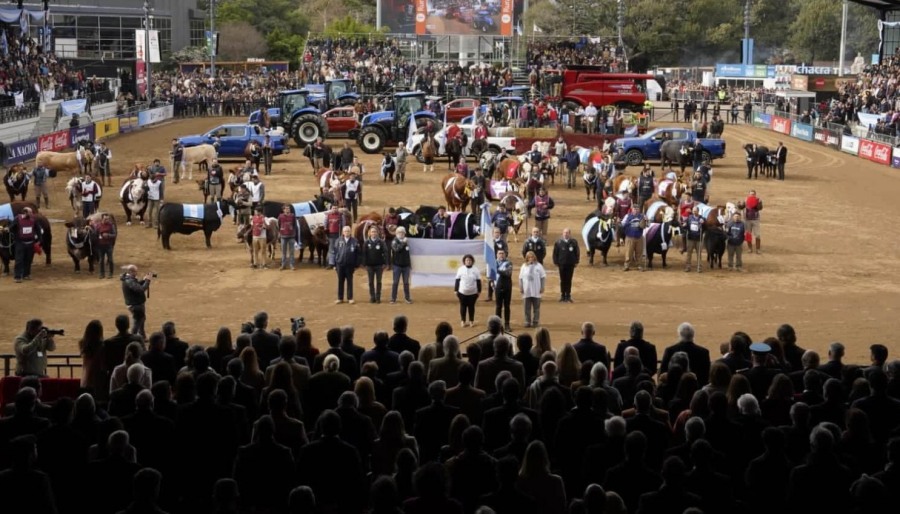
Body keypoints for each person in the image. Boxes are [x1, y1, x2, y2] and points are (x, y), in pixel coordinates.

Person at [7, 207, 42, 283]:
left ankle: (26, 275)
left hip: (31, 243)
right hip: (20, 243)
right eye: (30, 212)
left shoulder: (33, 219)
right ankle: (18, 276)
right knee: (19, 260)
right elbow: (11, 228)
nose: (31, 214)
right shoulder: (17, 219)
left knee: (28, 260)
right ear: (25, 213)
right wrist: (15, 235)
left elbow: (38, 229)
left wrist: (39, 240)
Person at [121, 264, 152, 340]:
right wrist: (147, 281)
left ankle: (142, 336)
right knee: (138, 322)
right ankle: (131, 338)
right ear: (131, 272)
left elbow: (137, 286)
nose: (137, 273)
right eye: (135, 271)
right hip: (135, 305)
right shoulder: (129, 280)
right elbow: (140, 290)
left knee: (141, 319)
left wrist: (144, 280)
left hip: (136, 303)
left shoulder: (129, 279)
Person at [362, 226, 389, 303]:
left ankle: (378, 297)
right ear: (369, 233)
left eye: (375, 232)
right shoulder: (366, 243)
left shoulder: (381, 242)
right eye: (372, 232)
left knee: (379, 282)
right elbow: (364, 254)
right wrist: (364, 264)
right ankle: (372, 297)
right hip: (370, 266)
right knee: (370, 282)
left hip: (379, 266)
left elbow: (386, 253)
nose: (373, 233)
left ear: (377, 233)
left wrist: (386, 263)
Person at [520, 251, 546, 328]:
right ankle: (527, 321)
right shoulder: (524, 266)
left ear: (534, 257)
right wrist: (521, 287)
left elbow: (543, 277)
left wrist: (542, 287)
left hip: (536, 289)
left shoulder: (539, 266)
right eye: (529, 257)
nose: (531, 258)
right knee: (526, 307)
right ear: (527, 258)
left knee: (536, 307)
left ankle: (535, 321)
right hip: (527, 289)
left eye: (532, 257)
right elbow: (520, 278)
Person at [334, 226, 360, 304]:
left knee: (349, 281)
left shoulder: (355, 241)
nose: (346, 232)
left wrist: (356, 265)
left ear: (350, 232)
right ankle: (340, 298)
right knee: (340, 281)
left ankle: (350, 298)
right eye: (345, 231)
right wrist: (334, 264)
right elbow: (334, 252)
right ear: (343, 232)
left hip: (350, 265)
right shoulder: (338, 240)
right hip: (340, 264)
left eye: (348, 231)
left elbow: (358, 254)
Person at [552, 228, 579, 302]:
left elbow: (577, 252)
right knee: (562, 280)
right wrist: (555, 262)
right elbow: (555, 253)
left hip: (570, 264)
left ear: (570, 234)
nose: (565, 234)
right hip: (562, 264)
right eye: (564, 233)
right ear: (562, 233)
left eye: (567, 233)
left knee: (569, 280)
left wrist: (576, 261)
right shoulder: (558, 242)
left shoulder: (573, 242)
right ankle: (562, 295)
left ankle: (568, 295)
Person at [455, 254, 481, 327]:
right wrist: (456, 290)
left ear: (472, 261)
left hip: (473, 292)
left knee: (471, 307)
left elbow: (478, 281)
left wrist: (479, 291)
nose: (468, 261)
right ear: (464, 261)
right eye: (467, 260)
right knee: (463, 306)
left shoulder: (476, 270)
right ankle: (463, 321)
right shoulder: (460, 269)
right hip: (462, 292)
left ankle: (471, 321)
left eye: (470, 260)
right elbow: (457, 280)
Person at [486, 227, 509, 302]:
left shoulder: (503, 242)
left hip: (501, 262)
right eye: (495, 232)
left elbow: (506, 251)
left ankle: (500, 295)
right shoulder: (490, 242)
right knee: (491, 278)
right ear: (493, 234)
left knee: (500, 278)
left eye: (498, 232)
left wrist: (501, 258)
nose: (497, 234)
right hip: (492, 263)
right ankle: (490, 295)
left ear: (500, 233)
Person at [391, 227, 413, 304]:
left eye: (403, 232)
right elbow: (397, 249)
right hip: (397, 265)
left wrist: (410, 264)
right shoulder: (394, 241)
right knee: (395, 282)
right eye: (400, 232)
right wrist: (403, 243)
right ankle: (393, 298)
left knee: (406, 282)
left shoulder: (407, 241)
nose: (401, 234)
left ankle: (407, 298)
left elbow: (409, 254)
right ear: (396, 233)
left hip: (406, 266)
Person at [621, 206, 647, 272]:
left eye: (637, 209)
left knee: (639, 252)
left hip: (639, 237)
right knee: (629, 252)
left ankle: (639, 265)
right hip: (630, 237)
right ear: (632, 210)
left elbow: (647, 225)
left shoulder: (642, 216)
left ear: (639, 210)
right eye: (634, 209)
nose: (636, 210)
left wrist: (646, 220)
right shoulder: (627, 216)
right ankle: (627, 265)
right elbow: (622, 224)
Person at [494, 249, 513, 331]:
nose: (501, 255)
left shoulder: (508, 263)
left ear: (505, 255)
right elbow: (490, 275)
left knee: (507, 306)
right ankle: (497, 325)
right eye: (499, 253)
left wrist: (496, 269)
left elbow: (508, 273)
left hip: (507, 287)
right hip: (497, 286)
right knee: (498, 306)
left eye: (502, 253)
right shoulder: (493, 263)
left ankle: (507, 324)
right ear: (497, 255)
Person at [94, 212, 117, 279]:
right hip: (100, 245)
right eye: (105, 219)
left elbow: (114, 234)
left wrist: (108, 235)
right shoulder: (98, 226)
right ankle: (102, 273)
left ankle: (110, 273)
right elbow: (95, 234)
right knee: (101, 260)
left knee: (110, 260)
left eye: (108, 219)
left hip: (108, 245)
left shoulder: (111, 225)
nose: (107, 220)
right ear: (102, 219)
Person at [325, 205, 347, 269]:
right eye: (333, 208)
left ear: (338, 209)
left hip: (338, 235)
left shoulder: (341, 215)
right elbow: (325, 224)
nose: (334, 209)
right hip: (331, 235)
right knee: (331, 249)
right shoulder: (328, 216)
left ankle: (338, 263)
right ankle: (331, 263)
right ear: (331, 209)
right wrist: (326, 231)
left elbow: (344, 225)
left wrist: (343, 234)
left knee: (339, 249)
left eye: (336, 208)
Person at [683, 206, 703, 273]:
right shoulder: (689, 218)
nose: (694, 212)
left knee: (699, 253)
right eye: (693, 211)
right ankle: (688, 266)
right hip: (690, 238)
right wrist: (685, 225)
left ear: (698, 211)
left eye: (695, 211)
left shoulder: (701, 218)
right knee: (689, 253)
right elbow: (686, 225)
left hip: (698, 238)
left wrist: (703, 222)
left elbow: (705, 226)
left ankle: (699, 267)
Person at [278, 204, 297, 270]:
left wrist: (294, 233)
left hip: (291, 236)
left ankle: (291, 265)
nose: (288, 210)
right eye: (286, 208)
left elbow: (295, 225)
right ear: (283, 210)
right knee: (283, 252)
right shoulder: (280, 216)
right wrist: (280, 233)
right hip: (283, 236)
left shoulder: (292, 216)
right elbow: (279, 224)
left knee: (291, 252)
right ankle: (283, 265)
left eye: (288, 208)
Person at [743, 190, 763, 254]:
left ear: (755, 195)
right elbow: (741, 207)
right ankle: (750, 248)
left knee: (757, 235)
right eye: (751, 194)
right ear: (749, 194)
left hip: (755, 220)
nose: (752, 195)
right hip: (747, 220)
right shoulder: (746, 200)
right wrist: (739, 204)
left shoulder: (758, 200)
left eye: (753, 194)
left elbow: (760, 208)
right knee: (748, 234)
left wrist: (758, 203)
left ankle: (758, 249)